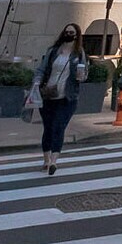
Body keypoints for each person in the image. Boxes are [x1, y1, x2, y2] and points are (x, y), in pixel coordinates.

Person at [33, 23, 89, 175]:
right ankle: (46, 160)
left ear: (76, 36)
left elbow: (84, 73)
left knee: (59, 127)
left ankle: (53, 161)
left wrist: (82, 76)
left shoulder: (79, 53)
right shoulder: (53, 51)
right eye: (66, 31)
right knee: (48, 127)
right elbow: (42, 69)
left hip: (68, 97)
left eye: (71, 32)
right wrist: (36, 83)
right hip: (48, 94)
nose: (68, 34)